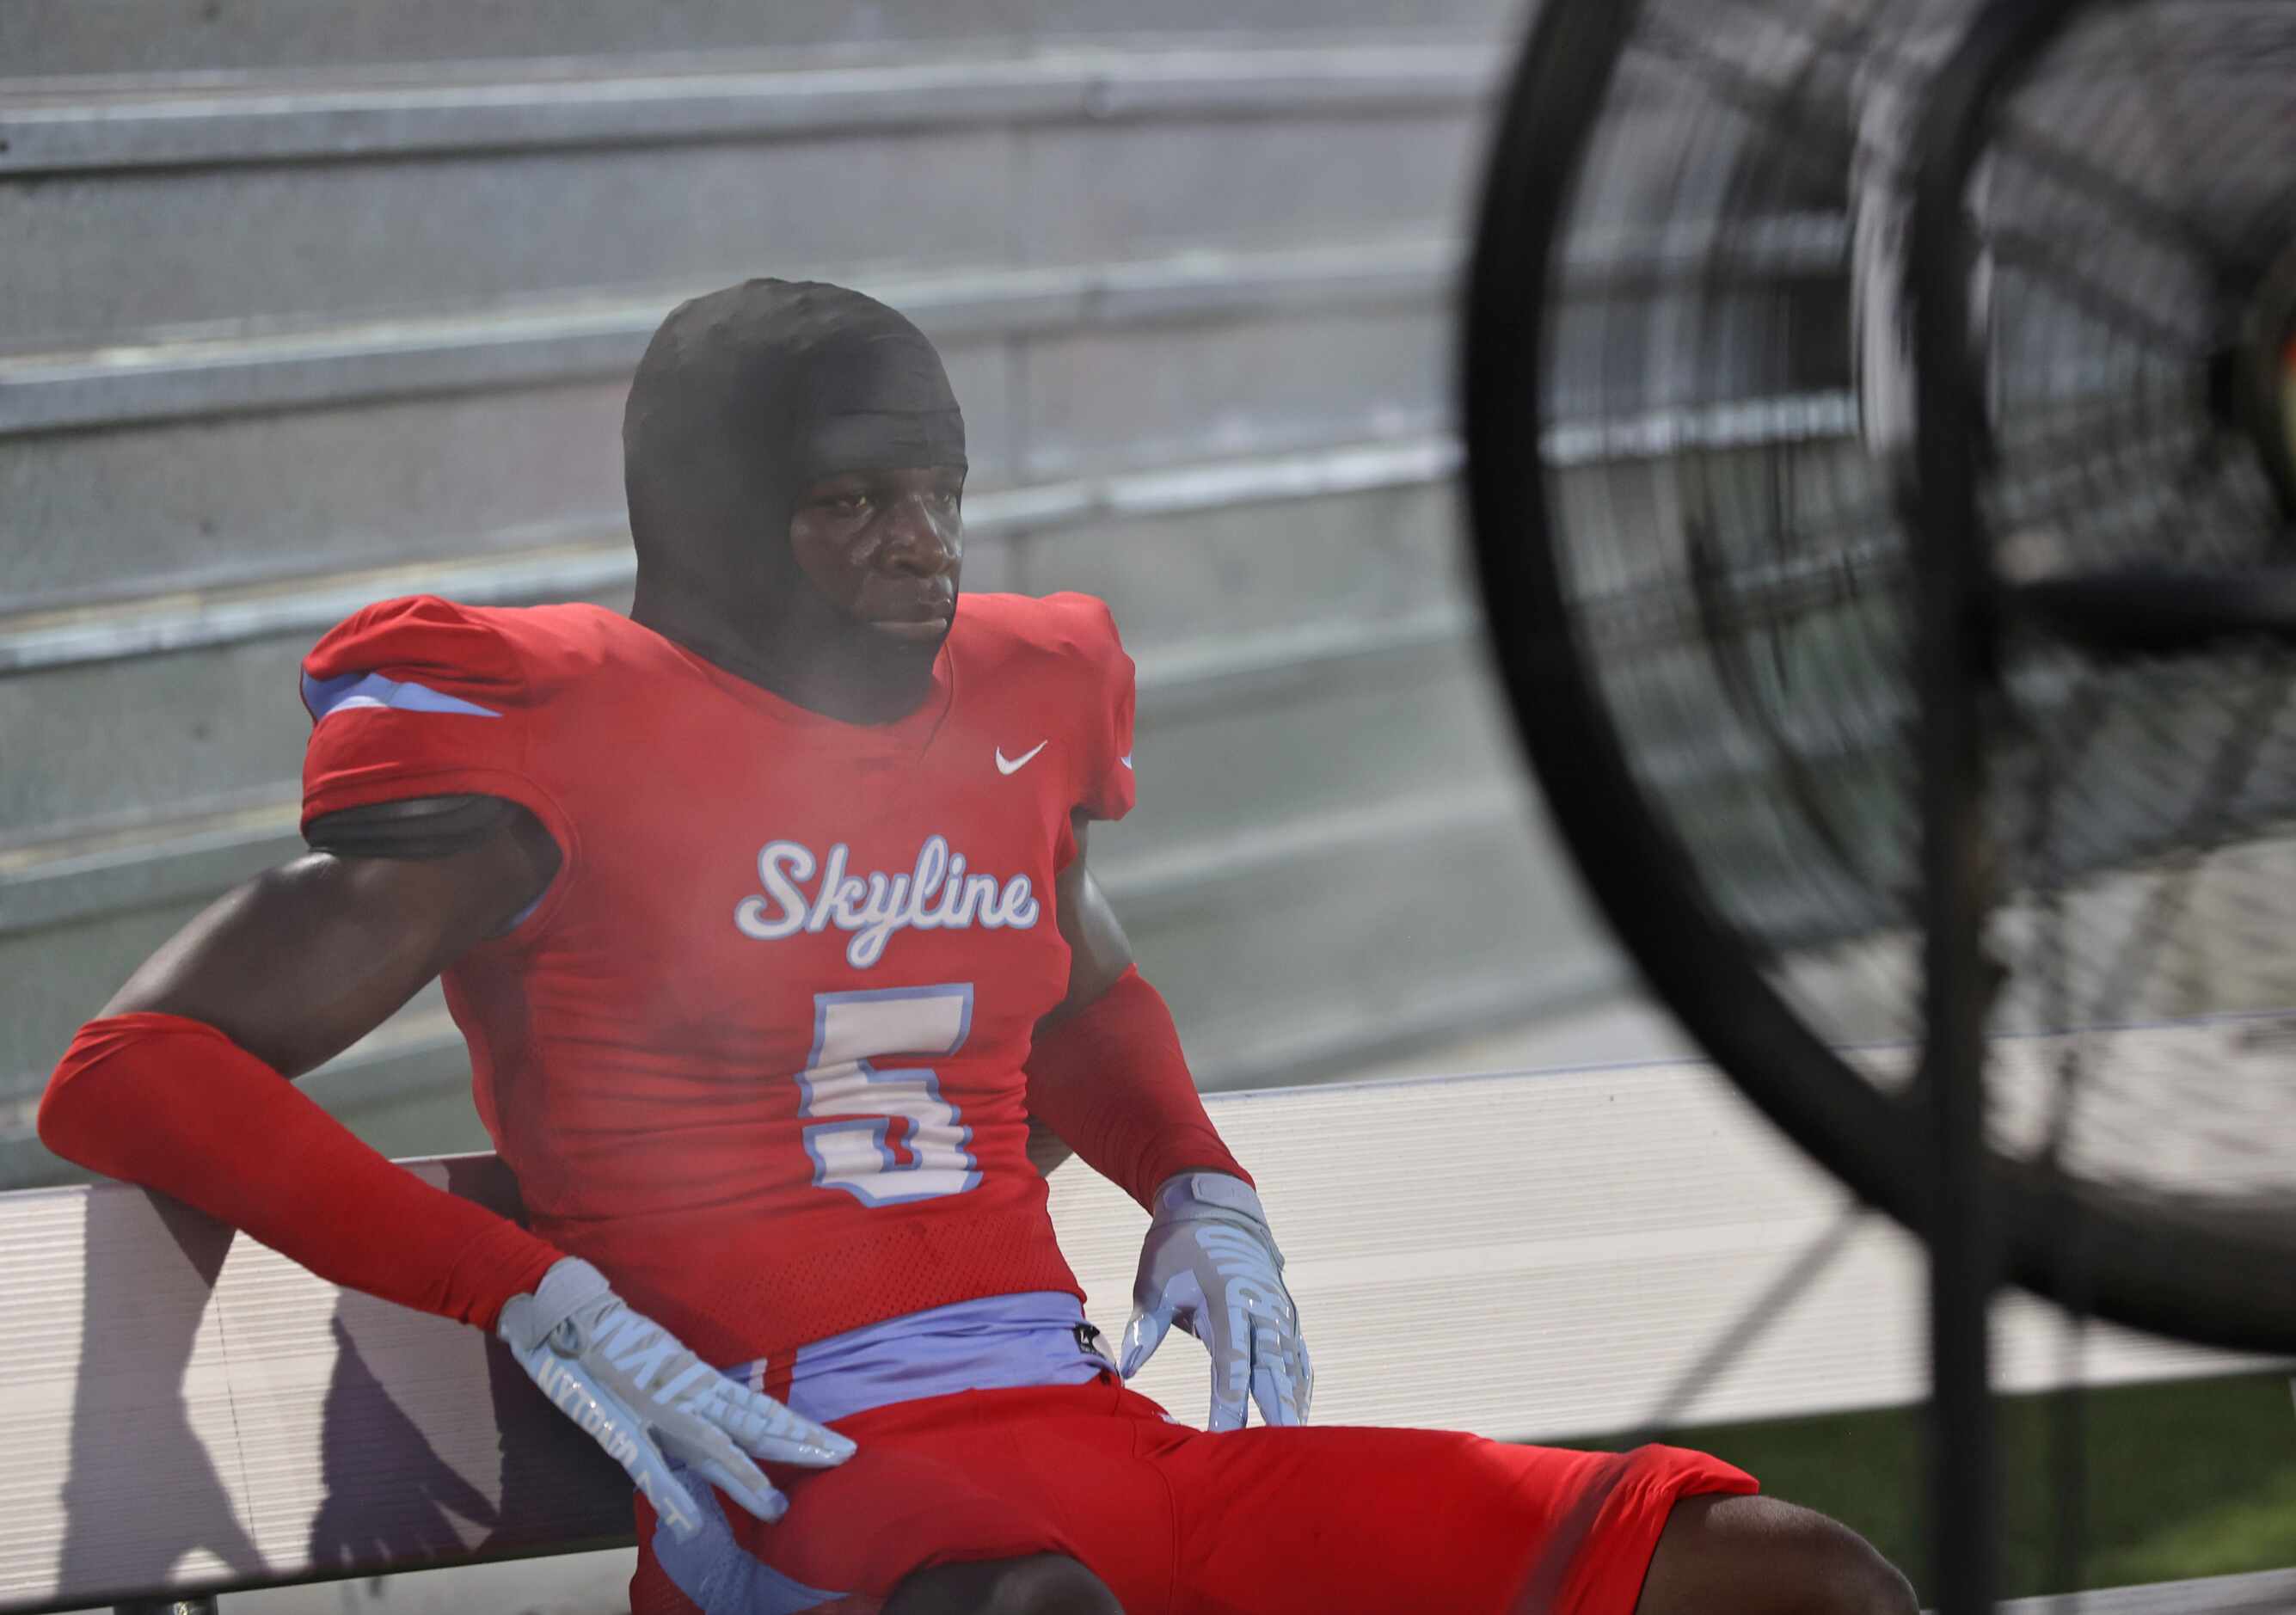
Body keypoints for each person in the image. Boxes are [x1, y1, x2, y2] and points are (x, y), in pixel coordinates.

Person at [38, 279, 1917, 1615]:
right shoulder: (554, 733)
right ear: (708, 527)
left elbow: (1074, 980)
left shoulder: (1018, 696)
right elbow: (128, 1074)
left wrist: (1197, 1179)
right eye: (850, 500)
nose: (917, 543)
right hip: (798, 1490)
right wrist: (519, 1287)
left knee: (1786, 1583)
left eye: (935, 487)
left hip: (1095, 1434)